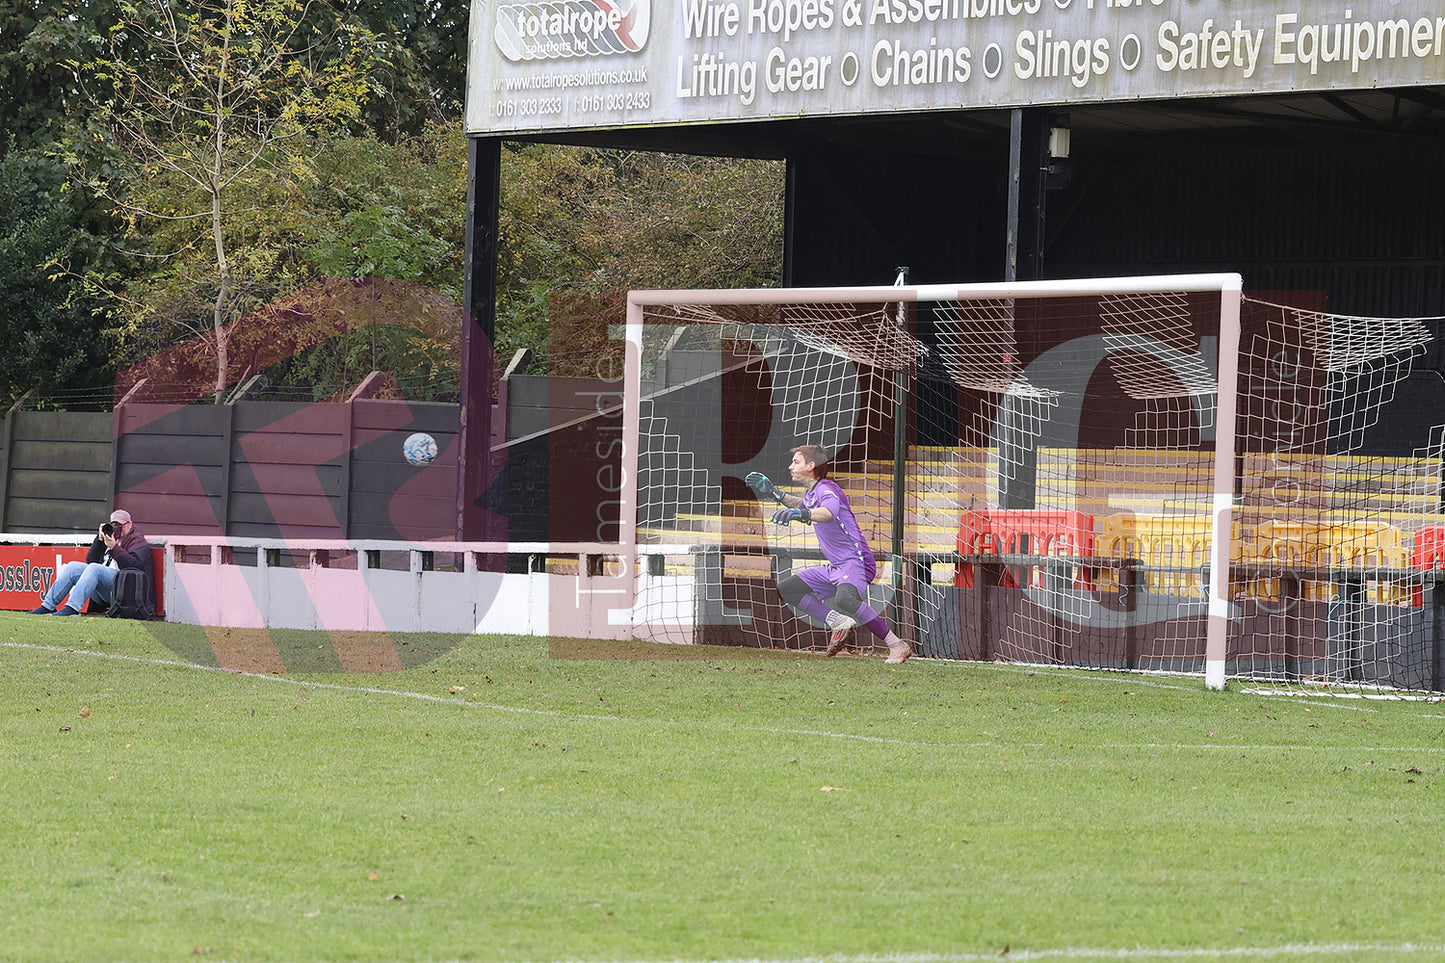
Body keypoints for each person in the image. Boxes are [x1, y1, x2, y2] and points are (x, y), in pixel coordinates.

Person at [746, 444, 911, 663]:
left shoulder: (827, 489)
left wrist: (798, 513)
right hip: (835, 566)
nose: (790, 466)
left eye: (796, 462)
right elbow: (802, 504)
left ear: (811, 466)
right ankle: (838, 622)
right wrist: (774, 493)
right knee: (788, 589)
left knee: (845, 599)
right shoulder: (813, 492)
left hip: (856, 561)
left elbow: (828, 513)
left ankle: (896, 645)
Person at [28, 509, 154, 616]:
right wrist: (100, 540)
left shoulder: (137, 540)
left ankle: (72, 607)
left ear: (129, 524)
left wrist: (114, 547)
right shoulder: (111, 536)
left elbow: (132, 566)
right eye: (114, 524)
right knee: (73, 567)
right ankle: (48, 605)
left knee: (95, 568)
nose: (116, 528)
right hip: (110, 589)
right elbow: (90, 560)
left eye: (120, 524)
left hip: (127, 591)